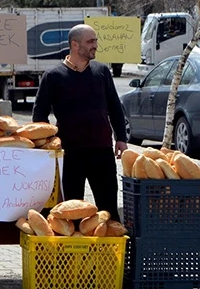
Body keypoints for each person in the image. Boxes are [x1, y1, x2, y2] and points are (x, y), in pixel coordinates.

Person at [32, 24, 128, 222]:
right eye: (90, 41)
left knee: (108, 208)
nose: (95, 45)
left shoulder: (102, 71)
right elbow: (39, 115)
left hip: (101, 151)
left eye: (95, 41)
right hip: (69, 154)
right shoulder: (53, 76)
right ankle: (76, 252)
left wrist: (121, 138)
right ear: (75, 45)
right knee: (71, 211)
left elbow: (115, 106)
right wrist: (45, 145)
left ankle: (110, 251)